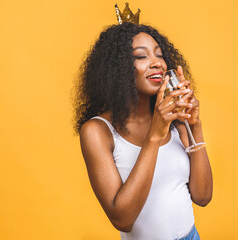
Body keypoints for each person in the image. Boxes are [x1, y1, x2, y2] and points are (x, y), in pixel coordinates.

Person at [71, 6, 213, 239]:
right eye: (141, 56)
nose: (157, 63)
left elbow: (203, 196)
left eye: (159, 54)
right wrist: (154, 136)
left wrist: (195, 126)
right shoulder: (98, 131)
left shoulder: (176, 121)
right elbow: (123, 219)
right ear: (117, 69)